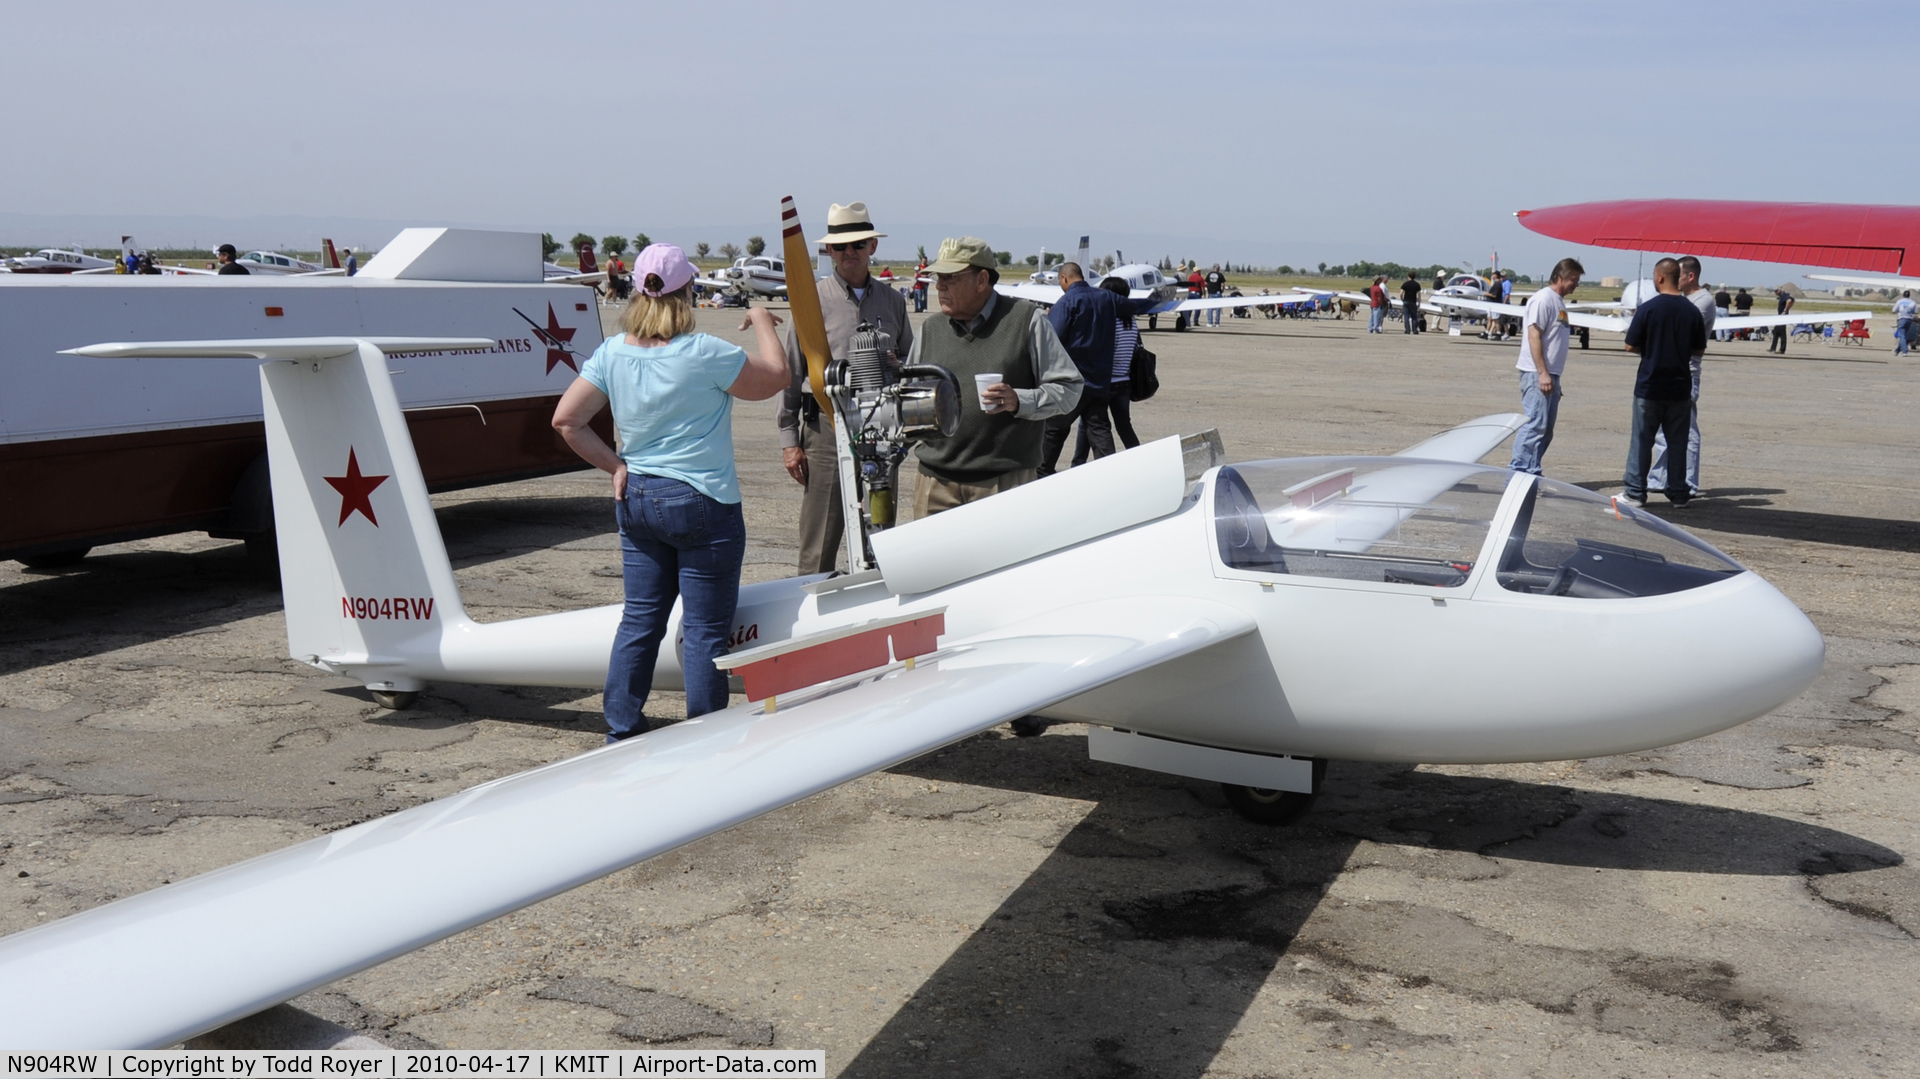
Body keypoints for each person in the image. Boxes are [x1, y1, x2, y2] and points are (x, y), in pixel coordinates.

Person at [550, 243, 787, 742]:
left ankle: (622, 728)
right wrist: (763, 320)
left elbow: (567, 421)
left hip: (637, 497)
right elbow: (776, 378)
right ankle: (704, 737)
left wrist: (615, 465)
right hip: (702, 501)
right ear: (686, 294)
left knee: (640, 620)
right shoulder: (704, 353)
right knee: (703, 632)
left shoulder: (612, 352)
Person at [775, 201, 913, 574]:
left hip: (881, 431)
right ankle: (811, 612)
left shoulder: (894, 301)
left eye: (857, 244)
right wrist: (790, 441)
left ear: (872, 246)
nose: (849, 252)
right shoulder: (811, 301)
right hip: (825, 428)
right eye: (840, 246)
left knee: (881, 531)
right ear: (828, 251)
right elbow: (791, 369)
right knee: (820, 537)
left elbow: (909, 361)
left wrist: (898, 368)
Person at [906, 236, 1080, 516]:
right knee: (935, 562)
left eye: (950, 277)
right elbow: (907, 400)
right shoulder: (930, 329)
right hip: (934, 484)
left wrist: (1019, 400)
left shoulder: (1026, 320)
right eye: (939, 277)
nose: (939, 285)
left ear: (981, 279)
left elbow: (1069, 388)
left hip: (1005, 484)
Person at [1041, 262, 1159, 474]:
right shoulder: (1107, 298)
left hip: (1073, 382)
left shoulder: (1067, 302)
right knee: (1099, 430)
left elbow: (1052, 340)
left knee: (1054, 429)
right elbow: (1135, 306)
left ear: (1064, 279)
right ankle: (1108, 473)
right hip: (1100, 383)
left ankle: (1043, 472)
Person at [1620, 258, 1706, 508]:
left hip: (1650, 384)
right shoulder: (1691, 310)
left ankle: (1636, 492)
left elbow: (1629, 345)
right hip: (1680, 387)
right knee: (1677, 442)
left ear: (1659, 278)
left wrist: (1652, 349)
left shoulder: (1648, 309)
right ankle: (1679, 493)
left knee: (1642, 441)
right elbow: (1698, 349)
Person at [1508, 257, 1584, 475]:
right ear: (1560, 277)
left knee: (1545, 430)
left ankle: (1532, 470)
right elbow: (1534, 337)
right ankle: (1519, 473)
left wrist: (1553, 378)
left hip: (1550, 374)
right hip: (1536, 373)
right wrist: (1542, 373)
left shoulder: (1558, 301)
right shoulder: (1543, 300)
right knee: (1535, 425)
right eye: (1573, 279)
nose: (1576, 284)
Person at [1648, 255, 1716, 498]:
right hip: (1670, 370)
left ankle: (1688, 481)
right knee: (1662, 429)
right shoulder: (1688, 300)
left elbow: (1678, 330)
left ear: (1690, 276)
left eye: (1678, 275)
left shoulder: (1703, 301)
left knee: (1686, 429)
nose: (1674, 280)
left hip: (1687, 371)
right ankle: (1659, 478)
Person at [1082, 276, 1144, 457]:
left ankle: (1078, 463)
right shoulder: (1131, 322)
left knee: (1092, 424)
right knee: (1125, 427)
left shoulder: (1109, 321)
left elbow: (1105, 351)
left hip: (1105, 383)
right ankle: (1140, 458)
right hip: (1124, 382)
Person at [1769, 286, 1793, 354]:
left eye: (1776, 291)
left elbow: (1790, 301)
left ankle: (1782, 349)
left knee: (1782, 333)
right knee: (1776, 332)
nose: (1775, 292)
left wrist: (1786, 310)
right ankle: (1773, 348)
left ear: (1780, 290)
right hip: (1779, 316)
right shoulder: (1781, 296)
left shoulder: (1785, 295)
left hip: (1783, 317)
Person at [1894, 290, 1916, 356]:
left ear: (1903, 295)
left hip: (1901, 319)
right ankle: (1897, 351)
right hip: (1909, 320)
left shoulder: (1899, 301)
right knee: (1904, 335)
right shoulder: (1913, 302)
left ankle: (1904, 351)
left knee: (1902, 335)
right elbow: (1916, 311)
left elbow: (1894, 310)